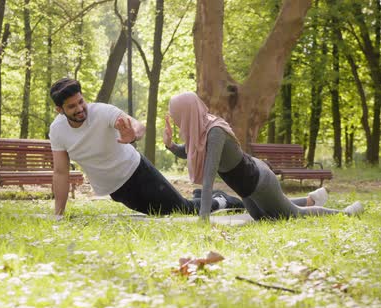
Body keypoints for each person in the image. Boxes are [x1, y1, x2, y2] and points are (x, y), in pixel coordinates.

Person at [48, 78, 243, 219]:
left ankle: (222, 200)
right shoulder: (58, 131)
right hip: (117, 190)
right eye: (72, 106)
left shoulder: (102, 112)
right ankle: (201, 196)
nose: (80, 108)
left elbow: (137, 126)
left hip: (139, 172)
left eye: (81, 101)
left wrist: (133, 134)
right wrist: (58, 215)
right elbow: (60, 172)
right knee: (160, 213)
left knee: (180, 210)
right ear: (60, 110)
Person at [163, 91, 364, 221]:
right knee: (264, 217)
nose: (177, 121)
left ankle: (346, 213)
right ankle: (311, 199)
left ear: (187, 113)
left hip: (259, 181)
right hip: (246, 189)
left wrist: (203, 218)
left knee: (292, 215)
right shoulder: (200, 129)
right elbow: (189, 150)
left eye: (177, 116)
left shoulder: (214, 132)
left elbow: (208, 179)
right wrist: (171, 145)